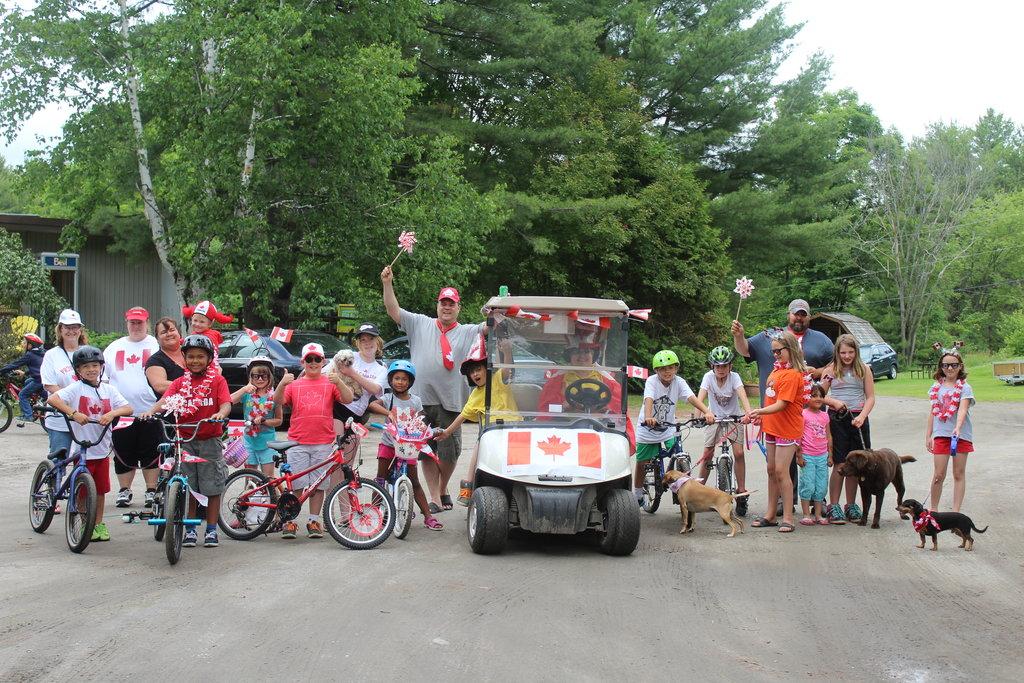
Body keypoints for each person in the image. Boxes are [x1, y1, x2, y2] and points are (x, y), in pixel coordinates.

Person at [381, 266, 483, 513]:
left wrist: (499, 308)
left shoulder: (468, 331)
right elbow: (393, 310)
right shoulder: (419, 323)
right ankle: (435, 497)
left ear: (458, 308)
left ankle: (443, 486)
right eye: (443, 303)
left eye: (451, 304)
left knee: (451, 451)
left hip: (452, 401)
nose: (446, 307)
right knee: (425, 450)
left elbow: (491, 327)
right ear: (437, 305)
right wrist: (387, 283)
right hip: (421, 401)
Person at [732, 298, 831, 514]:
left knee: (812, 457)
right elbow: (745, 350)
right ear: (789, 314)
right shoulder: (770, 336)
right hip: (774, 416)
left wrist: (820, 374)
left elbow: (836, 362)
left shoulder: (821, 340)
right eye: (796, 313)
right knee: (778, 467)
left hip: (808, 412)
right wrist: (738, 336)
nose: (799, 317)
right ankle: (782, 503)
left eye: (803, 314)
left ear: (809, 316)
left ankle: (816, 498)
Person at [140, 335, 232, 548]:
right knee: (188, 486)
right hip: (184, 441)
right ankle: (190, 528)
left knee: (212, 487)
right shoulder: (181, 382)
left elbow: (226, 404)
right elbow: (165, 401)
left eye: (200, 356)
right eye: (190, 357)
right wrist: (150, 411)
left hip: (209, 440)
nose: (195, 361)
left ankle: (211, 529)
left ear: (209, 359)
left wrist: (220, 413)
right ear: (184, 359)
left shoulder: (217, 380)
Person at [46, 346, 132, 542]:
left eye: (95, 365)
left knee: (100, 491)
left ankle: (98, 524)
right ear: (78, 370)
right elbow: (53, 399)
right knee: (82, 492)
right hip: (84, 449)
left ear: (101, 367)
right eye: (86, 366)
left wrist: (112, 413)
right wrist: (73, 413)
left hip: (102, 449)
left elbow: (128, 407)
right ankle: (85, 523)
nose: (91, 369)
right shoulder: (76, 388)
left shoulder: (108, 390)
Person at [272, 342, 354, 539]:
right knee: (297, 484)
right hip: (297, 441)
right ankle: (290, 522)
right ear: (303, 361)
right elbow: (277, 401)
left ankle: (314, 520)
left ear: (323, 361)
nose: (313, 362)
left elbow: (349, 398)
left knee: (318, 485)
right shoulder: (294, 384)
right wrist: (282, 383)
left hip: (323, 442)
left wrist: (339, 381)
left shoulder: (329, 382)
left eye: (317, 359)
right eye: (309, 359)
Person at [436, 336, 520, 506]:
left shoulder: (498, 379)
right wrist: (447, 432)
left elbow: (506, 369)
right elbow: (463, 415)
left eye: (478, 369)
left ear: (486, 369)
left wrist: (507, 351)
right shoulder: (475, 395)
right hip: (492, 431)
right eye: (472, 372)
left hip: (513, 428)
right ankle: (468, 484)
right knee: (480, 443)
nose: (475, 374)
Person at [367, 360, 443, 530]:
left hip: (409, 446)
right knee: (381, 479)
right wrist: (388, 413)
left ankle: (428, 517)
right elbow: (372, 404)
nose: (400, 382)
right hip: (389, 444)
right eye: (396, 378)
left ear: (410, 382)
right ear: (391, 380)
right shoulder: (388, 398)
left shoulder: (415, 401)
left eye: (404, 379)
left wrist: (425, 426)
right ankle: (374, 514)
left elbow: (421, 417)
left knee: (414, 481)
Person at [634, 350, 715, 504]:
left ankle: (683, 487)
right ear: (656, 370)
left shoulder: (679, 382)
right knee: (642, 461)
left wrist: (707, 411)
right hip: (648, 428)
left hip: (668, 428)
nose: (667, 372)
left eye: (671, 368)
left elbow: (691, 397)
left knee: (679, 452)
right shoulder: (652, 381)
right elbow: (649, 398)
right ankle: (637, 492)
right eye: (663, 369)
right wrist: (648, 416)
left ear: (676, 368)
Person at [748, 331, 807, 533]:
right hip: (772, 428)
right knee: (771, 470)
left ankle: (788, 517)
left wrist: (759, 411)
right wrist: (761, 417)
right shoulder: (775, 372)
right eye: (772, 351)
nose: (775, 355)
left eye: (778, 351)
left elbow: (782, 404)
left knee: (782, 471)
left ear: (790, 349)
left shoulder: (792, 375)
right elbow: (770, 400)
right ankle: (770, 514)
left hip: (787, 430)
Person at [104, 307, 161, 509]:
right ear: (126, 323)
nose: (136, 326)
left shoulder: (156, 344)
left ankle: (151, 490)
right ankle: (124, 490)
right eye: (132, 322)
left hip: (150, 410)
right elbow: (104, 379)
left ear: (147, 322)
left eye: (140, 322)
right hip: (122, 412)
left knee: (151, 451)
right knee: (123, 451)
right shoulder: (114, 348)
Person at [819, 333, 876, 524]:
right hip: (838, 418)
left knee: (856, 464)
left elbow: (870, 397)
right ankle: (834, 504)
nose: (847, 356)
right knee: (840, 462)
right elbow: (818, 396)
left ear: (856, 352)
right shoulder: (831, 369)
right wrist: (833, 402)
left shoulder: (864, 370)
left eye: (851, 352)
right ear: (837, 352)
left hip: (858, 418)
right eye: (843, 352)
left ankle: (851, 505)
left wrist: (862, 416)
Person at [696, 346, 753, 516]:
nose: (721, 369)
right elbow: (701, 396)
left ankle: (741, 491)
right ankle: (699, 490)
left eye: (724, 366)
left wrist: (748, 412)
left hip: (734, 419)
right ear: (712, 367)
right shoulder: (708, 377)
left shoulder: (734, 378)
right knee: (707, 453)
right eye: (717, 366)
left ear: (730, 366)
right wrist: (700, 415)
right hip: (713, 418)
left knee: (739, 453)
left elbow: (742, 395)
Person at [926, 343, 975, 512]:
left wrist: (958, 427)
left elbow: (962, 409)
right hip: (941, 435)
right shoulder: (935, 388)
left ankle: (955, 513)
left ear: (960, 366)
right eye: (946, 365)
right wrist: (928, 435)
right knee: (939, 475)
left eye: (954, 364)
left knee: (958, 473)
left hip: (960, 436)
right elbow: (933, 412)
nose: (950, 368)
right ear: (941, 367)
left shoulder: (965, 387)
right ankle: (933, 511)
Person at [41, 309, 88, 457]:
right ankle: (54, 480)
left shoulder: (89, 352)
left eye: (75, 327)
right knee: (59, 459)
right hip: (60, 418)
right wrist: (69, 400)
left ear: (80, 330)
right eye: (67, 327)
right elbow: (49, 385)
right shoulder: (52, 355)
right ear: (60, 329)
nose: (71, 331)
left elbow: (101, 381)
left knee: (84, 461)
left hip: (85, 417)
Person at [230, 356, 282, 478]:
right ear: (250, 377)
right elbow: (229, 400)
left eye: (264, 376)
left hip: (268, 443)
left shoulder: (274, 396)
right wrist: (243, 389)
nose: (259, 379)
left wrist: (264, 421)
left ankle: (269, 497)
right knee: (250, 478)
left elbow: (279, 421)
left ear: (270, 377)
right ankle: (249, 497)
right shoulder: (248, 393)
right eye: (255, 376)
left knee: (268, 479)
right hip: (249, 442)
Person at [331, 322, 388, 426]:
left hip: (356, 413)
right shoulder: (348, 355)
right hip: (336, 405)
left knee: (350, 442)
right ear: (358, 343)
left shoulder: (381, 369)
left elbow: (375, 389)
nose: (367, 343)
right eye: (363, 340)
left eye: (371, 338)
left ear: (378, 341)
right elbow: (327, 371)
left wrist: (352, 373)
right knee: (335, 439)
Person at [796, 384, 832, 526]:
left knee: (821, 486)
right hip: (808, 456)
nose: (818, 398)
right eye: (814, 395)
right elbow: (798, 436)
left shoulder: (825, 416)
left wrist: (830, 455)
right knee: (808, 485)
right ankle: (806, 514)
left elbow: (829, 436)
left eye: (821, 396)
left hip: (822, 456)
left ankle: (817, 514)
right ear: (806, 398)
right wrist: (799, 455)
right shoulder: (803, 414)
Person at [0, 332, 47, 423]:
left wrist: (2, 371)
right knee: (28, 381)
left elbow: (15, 364)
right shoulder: (40, 353)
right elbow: (38, 367)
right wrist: (24, 372)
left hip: (38, 380)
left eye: (24, 342)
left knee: (22, 394)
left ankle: (28, 415)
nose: (22, 344)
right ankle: (42, 398)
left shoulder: (30, 355)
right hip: (42, 379)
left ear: (30, 345)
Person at [181, 300, 233, 366]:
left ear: (210, 324)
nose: (197, 324)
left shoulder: (211, 337)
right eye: (195, 320)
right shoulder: (194, 334)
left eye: (202, 322)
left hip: (209, 369)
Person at [145, 317, 186, 397]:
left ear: (179, 333)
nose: (169, 334)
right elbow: (160, 386)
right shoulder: (154, 361)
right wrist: (195, 384)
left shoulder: (191, 352)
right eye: (164, 332)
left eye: (172, 330)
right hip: (172, 407)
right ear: (157, 338)